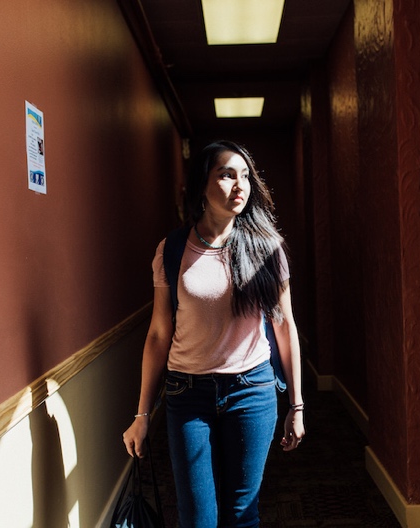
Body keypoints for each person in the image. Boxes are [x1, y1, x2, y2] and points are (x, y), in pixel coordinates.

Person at [122, 140, 305, 528]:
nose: (240, 185)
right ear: (201, 186)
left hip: (251, 390)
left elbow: (284, 325)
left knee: (242, 512)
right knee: (197, 517)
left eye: (245, 176)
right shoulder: (171, 250)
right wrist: (142, 414)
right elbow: (158, 333)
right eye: (226, 174)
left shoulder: (267, 248)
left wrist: (297, 405)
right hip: (187, 395)